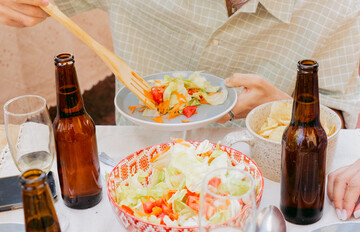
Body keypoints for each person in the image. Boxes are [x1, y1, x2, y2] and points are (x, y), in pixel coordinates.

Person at [1, 0, 359, 128]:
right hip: (138, 160)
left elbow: (340, 116)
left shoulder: (342, 9)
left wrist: (287, 110)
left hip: (264, 175)